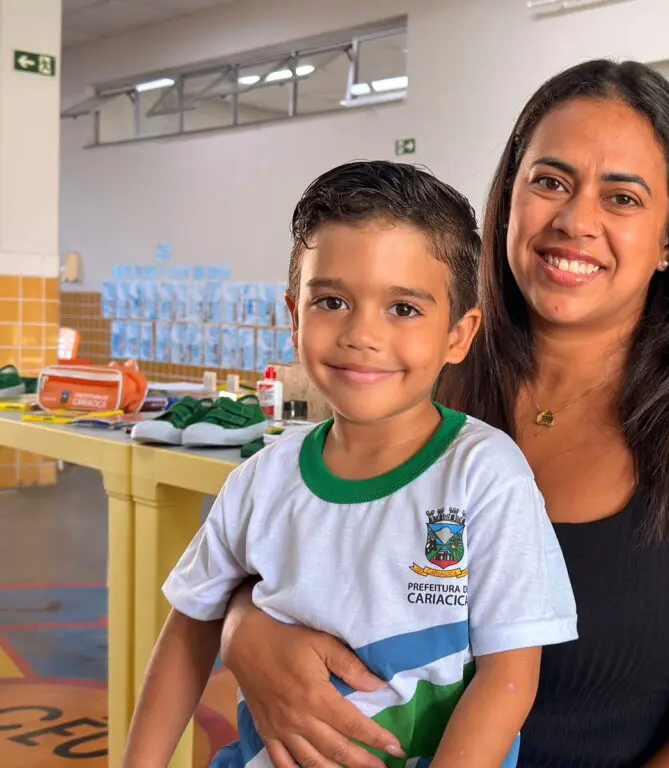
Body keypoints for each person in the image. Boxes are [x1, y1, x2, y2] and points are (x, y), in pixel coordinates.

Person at [219, 59, 669, 768]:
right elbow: (281, 557)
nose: (574, 220)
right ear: (506, 201)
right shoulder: (429, 386)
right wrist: (243, 633)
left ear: (668, 243)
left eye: (621, 198)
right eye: (550, 182)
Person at [121, 161, 579, 768]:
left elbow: (510, 680)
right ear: (293, 316)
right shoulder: (259, 480)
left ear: (459, 334)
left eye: (404, 309)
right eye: (332, 301)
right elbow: (188, 631)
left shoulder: (485, 475)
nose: (362, 334)